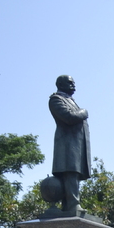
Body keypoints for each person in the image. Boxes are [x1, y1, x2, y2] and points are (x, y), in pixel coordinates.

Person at [48, 75, 91, 213]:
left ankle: (69, 205)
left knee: (74, 175)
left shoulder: (70, 100)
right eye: (70, 83)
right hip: (66, 145)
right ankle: (73, 204)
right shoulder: (56, 99)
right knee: (70, 173)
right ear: (60, 84)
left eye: (74, 83)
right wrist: (83, 113)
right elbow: (69, 117)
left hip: (76, 145)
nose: (74, 86)